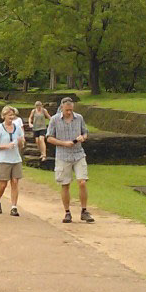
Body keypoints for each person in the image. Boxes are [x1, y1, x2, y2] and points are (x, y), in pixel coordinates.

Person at [45, 95, 94, 223]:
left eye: (71, 110)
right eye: (67, 110)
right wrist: (64, 143)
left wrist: (83, 137)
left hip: (78, 154)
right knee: (65, 184)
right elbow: (49, 137)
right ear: (62, 108)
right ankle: (67, 212)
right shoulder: (55, 120)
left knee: (82, 182)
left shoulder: (79, 118)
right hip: (63, 155)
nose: (69, 112)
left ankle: (84, 210)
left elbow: (85, 132)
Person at [0, 104, 25, 216]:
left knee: (15, 182)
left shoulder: (17, 128)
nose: (11, 117)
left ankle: (14, 207)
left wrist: (20, 142)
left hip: (16, 159)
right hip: (3, 160)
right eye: (9, 115)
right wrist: (6, 146)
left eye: (13, 115)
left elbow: (21, 144)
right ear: (4, 116)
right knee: (3, 184)